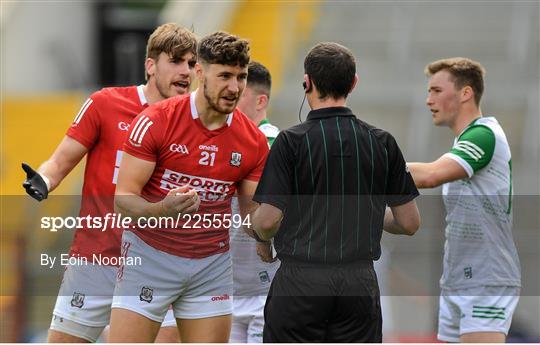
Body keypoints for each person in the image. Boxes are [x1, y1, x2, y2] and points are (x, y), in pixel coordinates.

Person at [20, 23, 197, 343]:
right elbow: (60, 161)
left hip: (157, 265)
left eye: (191, 63)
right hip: (95, 259)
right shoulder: (105, 103)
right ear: (150, 66)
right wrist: (44, 180)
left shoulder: (194, 125)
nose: (186, 71)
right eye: (176, 61)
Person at [248, 42, 420, 342]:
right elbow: (409, 222)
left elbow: (266, 221)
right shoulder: (382, 142)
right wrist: (364, 213)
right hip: (359, 283)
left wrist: (261, 239)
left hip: (300, 282)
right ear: (353, 84)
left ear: (307, 83)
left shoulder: (291, 142)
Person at [110, 31, 269, 343]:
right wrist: (162, 209)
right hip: (149, 257)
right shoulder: (156, 120)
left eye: (241, 77)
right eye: (224, 76)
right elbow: (123, 200)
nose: (234, 87)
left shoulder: (253, 141)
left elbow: (253, 218)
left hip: (211, 265)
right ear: (200, 73)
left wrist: (279, 222)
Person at [407, 57, 521, 343]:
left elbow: (430, 175)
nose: (428, 100)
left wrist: (367, 165)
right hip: (459, 279)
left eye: (436, 90)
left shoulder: (484, 134)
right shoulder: (462, 143)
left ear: (466, 93)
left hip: (487, 279)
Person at [229, 61, 280, 343]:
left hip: (265, 288)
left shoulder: (272, 140)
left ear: (261, 101)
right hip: (225, 287)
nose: (230, 96)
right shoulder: (222, 141)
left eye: (239, 93)